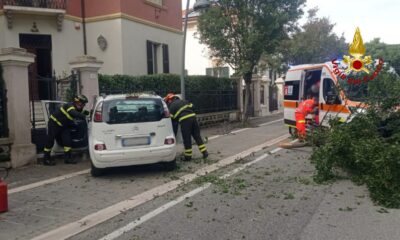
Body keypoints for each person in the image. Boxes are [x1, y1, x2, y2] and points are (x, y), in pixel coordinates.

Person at [43, 95, 90, 166]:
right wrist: (83, 116)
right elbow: (73, 113)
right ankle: (46, 159)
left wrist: (89, 113)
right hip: (54, 123)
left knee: (67, 141)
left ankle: (67, 159)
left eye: (83, 104)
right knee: (50, 141)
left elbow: (83, 112)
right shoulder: (69, 105)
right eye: (81, 103)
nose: (82, 105)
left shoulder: (78, 109)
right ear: (76, 101)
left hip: (64, 126)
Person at [164, 93, 208, 161]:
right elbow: (193, 106)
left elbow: (173, 121)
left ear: (169, 100)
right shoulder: (184, 101)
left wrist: (174, 134)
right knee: (197, 136)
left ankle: (188, 156)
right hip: (193, 118)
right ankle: (205, 152)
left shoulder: (171, 106)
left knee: (187, 138)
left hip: (185, 121)